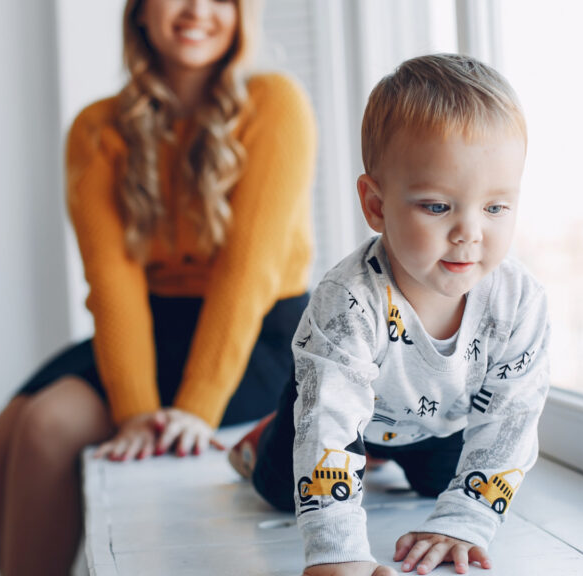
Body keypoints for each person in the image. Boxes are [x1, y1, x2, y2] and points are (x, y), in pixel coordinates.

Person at [0, 0, 316, 573]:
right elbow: (112, 281)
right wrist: (135, 410)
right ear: (140, 12)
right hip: (151, 326)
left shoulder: (275, 103)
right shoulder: (96, 128)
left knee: (45, 429)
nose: (197, 11)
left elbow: (246, 275)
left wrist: (195, 410)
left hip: (255, 333)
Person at [229, 53, 550, 576]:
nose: (470, 232)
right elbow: (328, 430)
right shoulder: (347, 301)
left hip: (438, 421)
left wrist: (462, 522)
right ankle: (264, 433)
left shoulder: (521, 303)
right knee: (278, 490)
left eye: (495, 208)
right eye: (438, 206)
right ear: (376, 205)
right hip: (335, 409)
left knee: (440, 487)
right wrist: (340, 557)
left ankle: (381, 458)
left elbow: (510, 421)